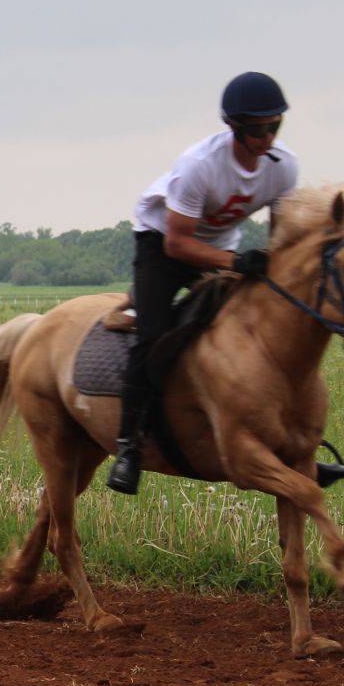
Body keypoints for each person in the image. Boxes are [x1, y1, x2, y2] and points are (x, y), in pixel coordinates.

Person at [106, 71, 297, 495]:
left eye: (275, 126)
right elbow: (177, 243)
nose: (267, 137)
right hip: (163, 246)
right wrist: (236, 262)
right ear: (235, 128)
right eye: (257, 129)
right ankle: (129, 447)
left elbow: (281, 238)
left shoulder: (284, 168)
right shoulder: (199, 166)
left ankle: (293, 445)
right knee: (153, 337)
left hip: (222, 247)